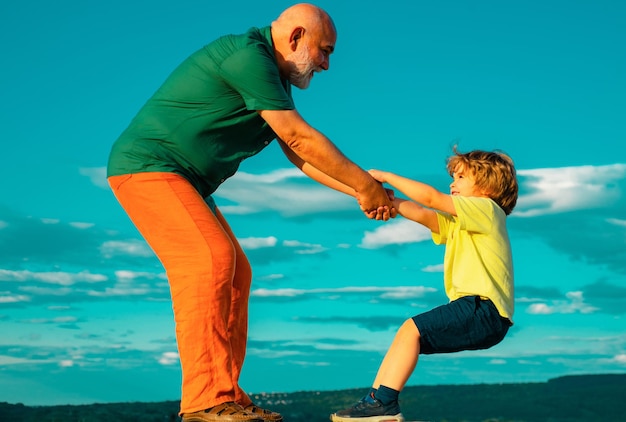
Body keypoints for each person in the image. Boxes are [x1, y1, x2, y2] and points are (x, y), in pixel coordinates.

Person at [106, 3, 395, 422]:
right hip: (148, 166)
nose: (327, 65)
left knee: (237, 272)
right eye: (325, 51)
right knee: (208, 260)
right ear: (296, 37)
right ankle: (205, 400)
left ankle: (227, 395)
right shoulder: (247, 56)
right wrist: (366, 186)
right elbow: (299, 138)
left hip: (185, 180)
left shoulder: (276, 78)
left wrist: (360, 192)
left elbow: (301, 158)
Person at [330, 148, 519, 422]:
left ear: (488, 184)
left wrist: (385, 176)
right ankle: (375, 402)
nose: (452, 183)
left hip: (483, 308)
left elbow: (431, 199)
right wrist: (384, 202)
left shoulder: (487, 209)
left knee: (411, 329)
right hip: (484, 316)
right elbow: (421, 212)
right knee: (408, 337)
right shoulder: (461, 223)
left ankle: (383, 403)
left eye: (461, 176)